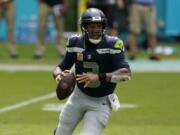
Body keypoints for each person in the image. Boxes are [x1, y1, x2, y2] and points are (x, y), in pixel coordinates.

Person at [52, 8, 131, 135]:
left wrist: (99, 77)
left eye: (98, 26)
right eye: (92, 26)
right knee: (61, 132)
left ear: (103, 26)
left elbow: (126, 74)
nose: (95, 30)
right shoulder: (75, 42)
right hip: (78, 96)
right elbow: (61, 66)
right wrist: (58, 74)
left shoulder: (113, 44)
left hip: (101, 102)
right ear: (84, 27)